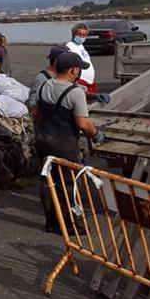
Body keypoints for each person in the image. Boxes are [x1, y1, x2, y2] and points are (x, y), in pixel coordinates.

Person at [35, 51, 104, 234]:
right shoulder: (74, 93)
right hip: (64, 145)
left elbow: (36, 112)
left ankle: (51, 223)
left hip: (43, 140)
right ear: (73, 70)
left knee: (46, 181)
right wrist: (95, 134)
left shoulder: (44, 85)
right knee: (68, 185)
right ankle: (72, 226)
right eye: (79, 69)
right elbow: (83, 123)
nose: (79, 72)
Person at [27, 44, 69, 114]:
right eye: (66, 60)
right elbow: (32, 102)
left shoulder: (62, 76)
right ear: (56, 61)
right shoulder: (42, 78)